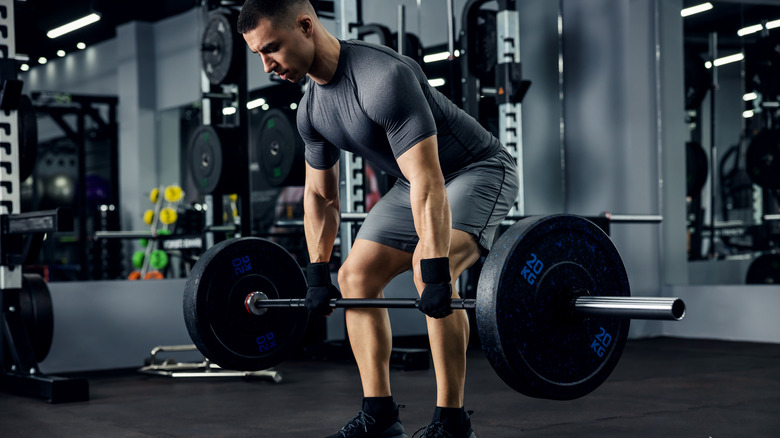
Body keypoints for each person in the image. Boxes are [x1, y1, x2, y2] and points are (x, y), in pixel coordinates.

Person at [237, 1, 519, 437]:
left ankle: (452, 422)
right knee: (354, 279)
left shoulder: (382, 77)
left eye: (271, 48)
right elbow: (320, 196)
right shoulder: (311, 109)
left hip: (476, 170)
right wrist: (316, 272)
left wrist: (437, 270)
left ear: (306, 26)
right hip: (413, 185)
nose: (266, 65)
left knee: (430, 274)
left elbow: (429, 177)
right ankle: (380, 416)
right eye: (257, 53)